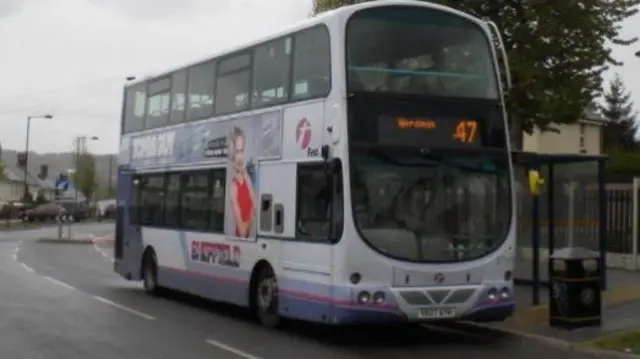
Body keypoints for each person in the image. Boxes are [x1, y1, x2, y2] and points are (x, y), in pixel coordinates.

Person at [229, 126, 256, 238]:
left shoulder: (247, 179)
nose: (240, 156)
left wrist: (246, 175)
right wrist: (251, 217)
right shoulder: (233, 186)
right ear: (233, 154)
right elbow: (243, 231)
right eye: (237, 151)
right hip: (240, 242)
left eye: (242, 151)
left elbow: (256, 205)